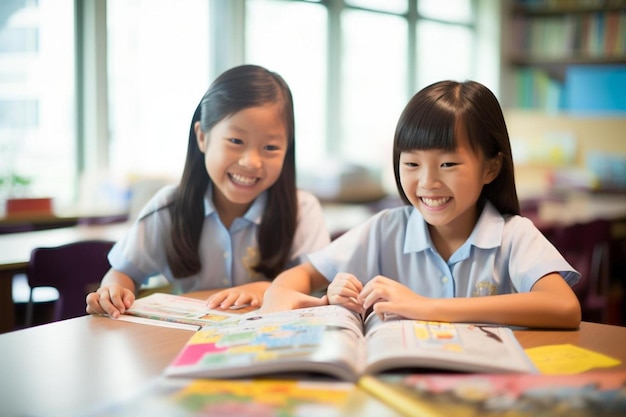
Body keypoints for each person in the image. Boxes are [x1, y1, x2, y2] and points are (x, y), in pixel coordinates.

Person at [261, 80, 582, 329]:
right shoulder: (386, 228)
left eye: (448, 165)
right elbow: (300, 276)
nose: (428, 182)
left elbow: (564, 308)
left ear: (490, 168)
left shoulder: (513, 235)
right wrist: (295, 297)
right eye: (412, 165)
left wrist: (425, 306)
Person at [86, 64, 330, 318]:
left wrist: (270, 289)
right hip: (188, 342)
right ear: (202, 137)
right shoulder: (169, 208)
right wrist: (113, 291)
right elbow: (124, 272)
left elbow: (316, 279)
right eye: (236, 141)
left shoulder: (302, 209)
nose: (251, 162)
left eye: (270, 147)